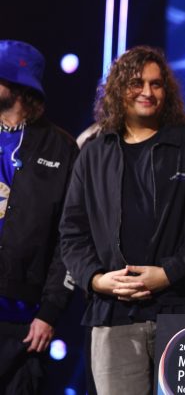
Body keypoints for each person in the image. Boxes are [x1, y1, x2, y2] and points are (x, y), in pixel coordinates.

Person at [60, 45, 185, 395]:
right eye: (137, 83)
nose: (147, 92)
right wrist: (96, 280)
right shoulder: (93, 152)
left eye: (157, 85)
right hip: (114, 313)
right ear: (117, 89)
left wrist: (170, 271)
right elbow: (72, 232)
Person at [0, 40, 77, 394]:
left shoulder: (60, 147)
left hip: (24, 321)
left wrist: (49, 311)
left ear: (16, 85)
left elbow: (68, 239)